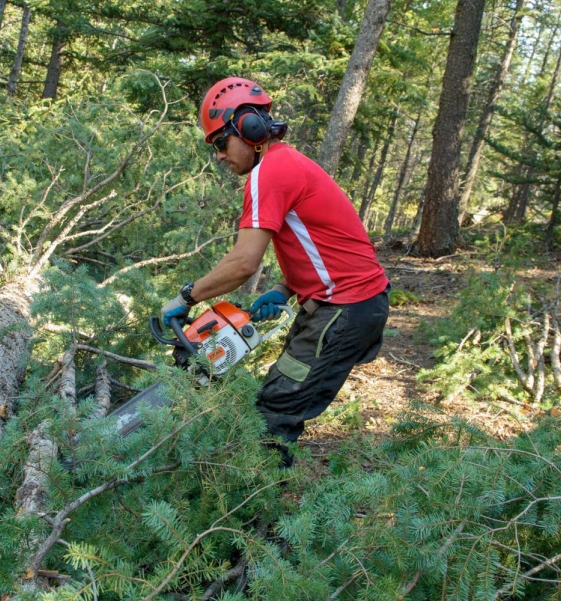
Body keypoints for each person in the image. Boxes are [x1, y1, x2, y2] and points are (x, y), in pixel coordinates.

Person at [160, 77, 390, 466]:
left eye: (220, 143)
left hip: (345, 308)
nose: (219, 156)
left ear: (249, 129)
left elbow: (243, 263)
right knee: (280, 392)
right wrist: (285, 289)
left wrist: (186, 297)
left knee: (276, 411)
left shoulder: (270, 172)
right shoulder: (286, 163)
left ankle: (258, 498)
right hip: (343, 304)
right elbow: (328, 245)